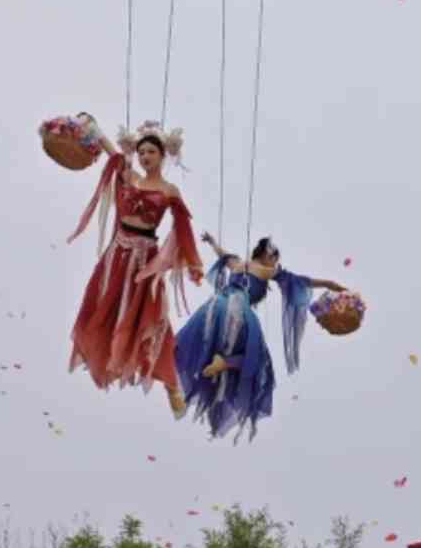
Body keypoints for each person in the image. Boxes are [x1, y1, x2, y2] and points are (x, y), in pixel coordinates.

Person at [64, 119, 204, 418]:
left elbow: (183, 229)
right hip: (117, 255)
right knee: (104, 307)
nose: (144, 157)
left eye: (151, 152)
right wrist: (94, 129)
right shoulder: (131, 176)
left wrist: (193, 264)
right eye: (141, 152)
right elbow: (113, 154)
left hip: (145, 261)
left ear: (162, 155)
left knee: (153, 317)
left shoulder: (169, 190)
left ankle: (173, 386)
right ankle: (105, 356)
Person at [174, 233, 346, 440]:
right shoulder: (266, 270)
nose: (276, 263)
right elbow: (299, 280)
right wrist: (328, 283)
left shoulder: (237, 263)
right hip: (239, 310)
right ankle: (225, 363)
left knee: (202, 341)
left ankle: (184, 364)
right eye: (275, 259)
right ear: (267, 256)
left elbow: (223, 254)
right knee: (258, 362)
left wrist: (211, 242)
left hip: (216, 305)